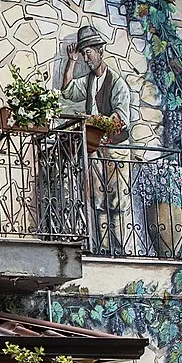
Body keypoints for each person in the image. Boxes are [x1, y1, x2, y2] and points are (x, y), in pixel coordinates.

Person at [58, 25, 134, 254]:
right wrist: (71, 62)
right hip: (95, 148)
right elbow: (68, 90)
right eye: (83, 53)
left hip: (116, 148)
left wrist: (98, 121)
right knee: (98, 199)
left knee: (118, 200)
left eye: (88, 52)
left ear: (100, 51)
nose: (86, 58)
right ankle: (102, 246)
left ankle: (121, 248)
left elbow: (120, 118)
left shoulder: (118, 83)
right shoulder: (89, 81)